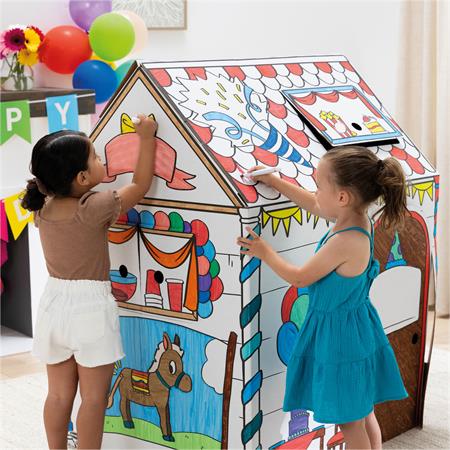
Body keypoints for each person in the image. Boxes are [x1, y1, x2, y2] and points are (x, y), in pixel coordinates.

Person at [237, 146, 409, 449]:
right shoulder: (356, 219)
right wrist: (275, 182)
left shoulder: (345, 241)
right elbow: (315, 204)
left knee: (350, 421)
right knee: (362, 409)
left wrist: (265, 252)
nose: (315, 192)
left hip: (340, 337)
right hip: (356, 326)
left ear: (342, 197)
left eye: (318, 185)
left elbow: (299, 277)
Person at [21, 115, 157, 449]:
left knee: (57, 395)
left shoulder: (43, 207)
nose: (102, 160)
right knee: (94, 399)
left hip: (53, 305)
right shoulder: (94, 206)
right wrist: (146, 138)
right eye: (95, 157)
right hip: (91, 310)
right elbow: (140, 185)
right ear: (82, 178)